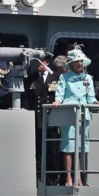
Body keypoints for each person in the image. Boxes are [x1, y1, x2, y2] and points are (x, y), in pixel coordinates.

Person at [52, 47, 99, 187]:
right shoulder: (64, 77)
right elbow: (59, 94)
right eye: (77, 61)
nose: (80, 64)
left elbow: (90, 98)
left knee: (79, 148)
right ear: (71, 63)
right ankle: (68, 178)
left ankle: (78, 178)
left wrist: (98, 103)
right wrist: (57, 101)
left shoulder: (88, 78)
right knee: (68, 147)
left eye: (81, 61)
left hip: (84, 115)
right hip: (69, 113)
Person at [26, 56, 66, 185]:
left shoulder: (57, 77)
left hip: (51, 120)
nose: (38, 64)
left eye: (40, 62)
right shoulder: (31, 78)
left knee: (52, 151)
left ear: (47, 62)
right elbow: (27, 99)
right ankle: (38, 177)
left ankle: (52, 177)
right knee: (38, 150)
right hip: (37, 119)